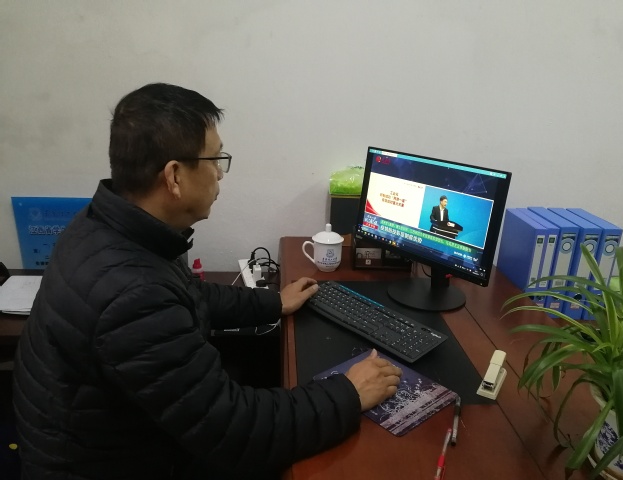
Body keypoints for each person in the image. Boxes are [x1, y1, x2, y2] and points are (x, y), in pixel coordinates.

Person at [12, 83, 402, 480]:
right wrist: (349, 393)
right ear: (174, 176)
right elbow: (236, 432)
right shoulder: (133, 295)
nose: (219, 173)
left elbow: (186, 294)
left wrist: (272, 303)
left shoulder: (105, 227)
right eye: (215, 159)